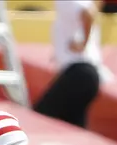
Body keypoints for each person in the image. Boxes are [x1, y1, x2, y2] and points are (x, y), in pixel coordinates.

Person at [34, 0, 103, 128]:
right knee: (73, 121)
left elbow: (89, 12)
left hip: (80, 72)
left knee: (41, 115)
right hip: (86, 73)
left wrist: (83, 43)